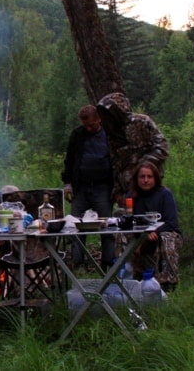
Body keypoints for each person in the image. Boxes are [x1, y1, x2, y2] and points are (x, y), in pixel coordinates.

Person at [62, 104, 115, 269]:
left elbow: (117, 160)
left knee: (107, 226)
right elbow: (69, 160)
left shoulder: (109, 134)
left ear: (99, 119)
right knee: (74, 226)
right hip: (81, 187)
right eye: (86, 125)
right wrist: (67, 183)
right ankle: (77, 263)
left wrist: (117, 188)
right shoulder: (77, 135)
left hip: (103, 187)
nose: (89, 128)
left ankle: (108, 263)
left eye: (91, 124)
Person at [96, 92, 169, 204]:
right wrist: (117, 191)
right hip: (127, 191)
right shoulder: (112, 133)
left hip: (149, 186)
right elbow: (115, 163)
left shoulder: (141, 122)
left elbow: (162, 147)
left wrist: (145, 164)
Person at [129, 161, 183, 292]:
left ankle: (168, 284)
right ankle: (126, 279)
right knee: (123, 237)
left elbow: (171, 222)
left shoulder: (165, 194)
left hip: (165, 234)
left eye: (149, 177)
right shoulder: (133, 197)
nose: (146, 180)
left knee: (167, 238)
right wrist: (144, 235)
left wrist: (155, 232)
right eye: (142, 177)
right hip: (142, 236)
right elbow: (131, 221)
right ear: (137, 179)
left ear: (155, 178)